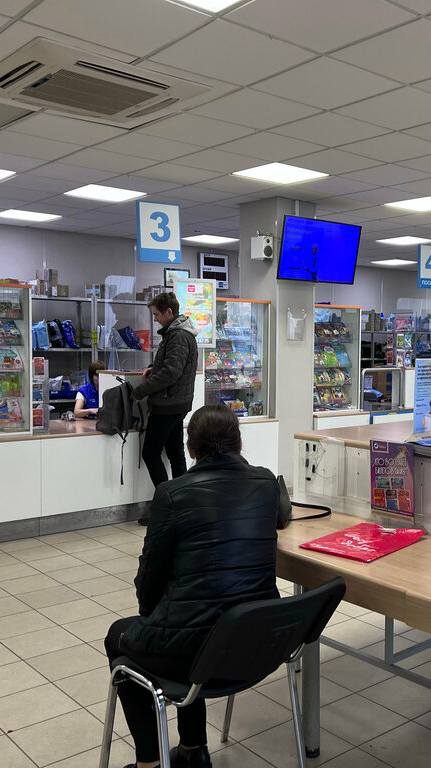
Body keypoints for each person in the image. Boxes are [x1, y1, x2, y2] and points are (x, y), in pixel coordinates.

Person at [104, 405, 292, 768]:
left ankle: (151, 763)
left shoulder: (173, 494)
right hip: (258, 647)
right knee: (206, 627)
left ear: (190, 449)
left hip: (197, 651)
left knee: (120, 637)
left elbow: (150, 578)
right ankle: (192, 750)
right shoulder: (267, 482)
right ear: (240, 442)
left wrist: (152, 616)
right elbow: (282, 515)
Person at [133, 292, 199, 517]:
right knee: (175, 453)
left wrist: (140, 391)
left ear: (169, 312)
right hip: (177, 403)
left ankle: (166, 506)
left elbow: (172, 371)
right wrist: (155, 367)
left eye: (157, 314)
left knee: (151, 453)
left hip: (167, 404)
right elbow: (171, 364)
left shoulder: (178, 335)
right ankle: (182, 505)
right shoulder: (177, 333)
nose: (155, 319)